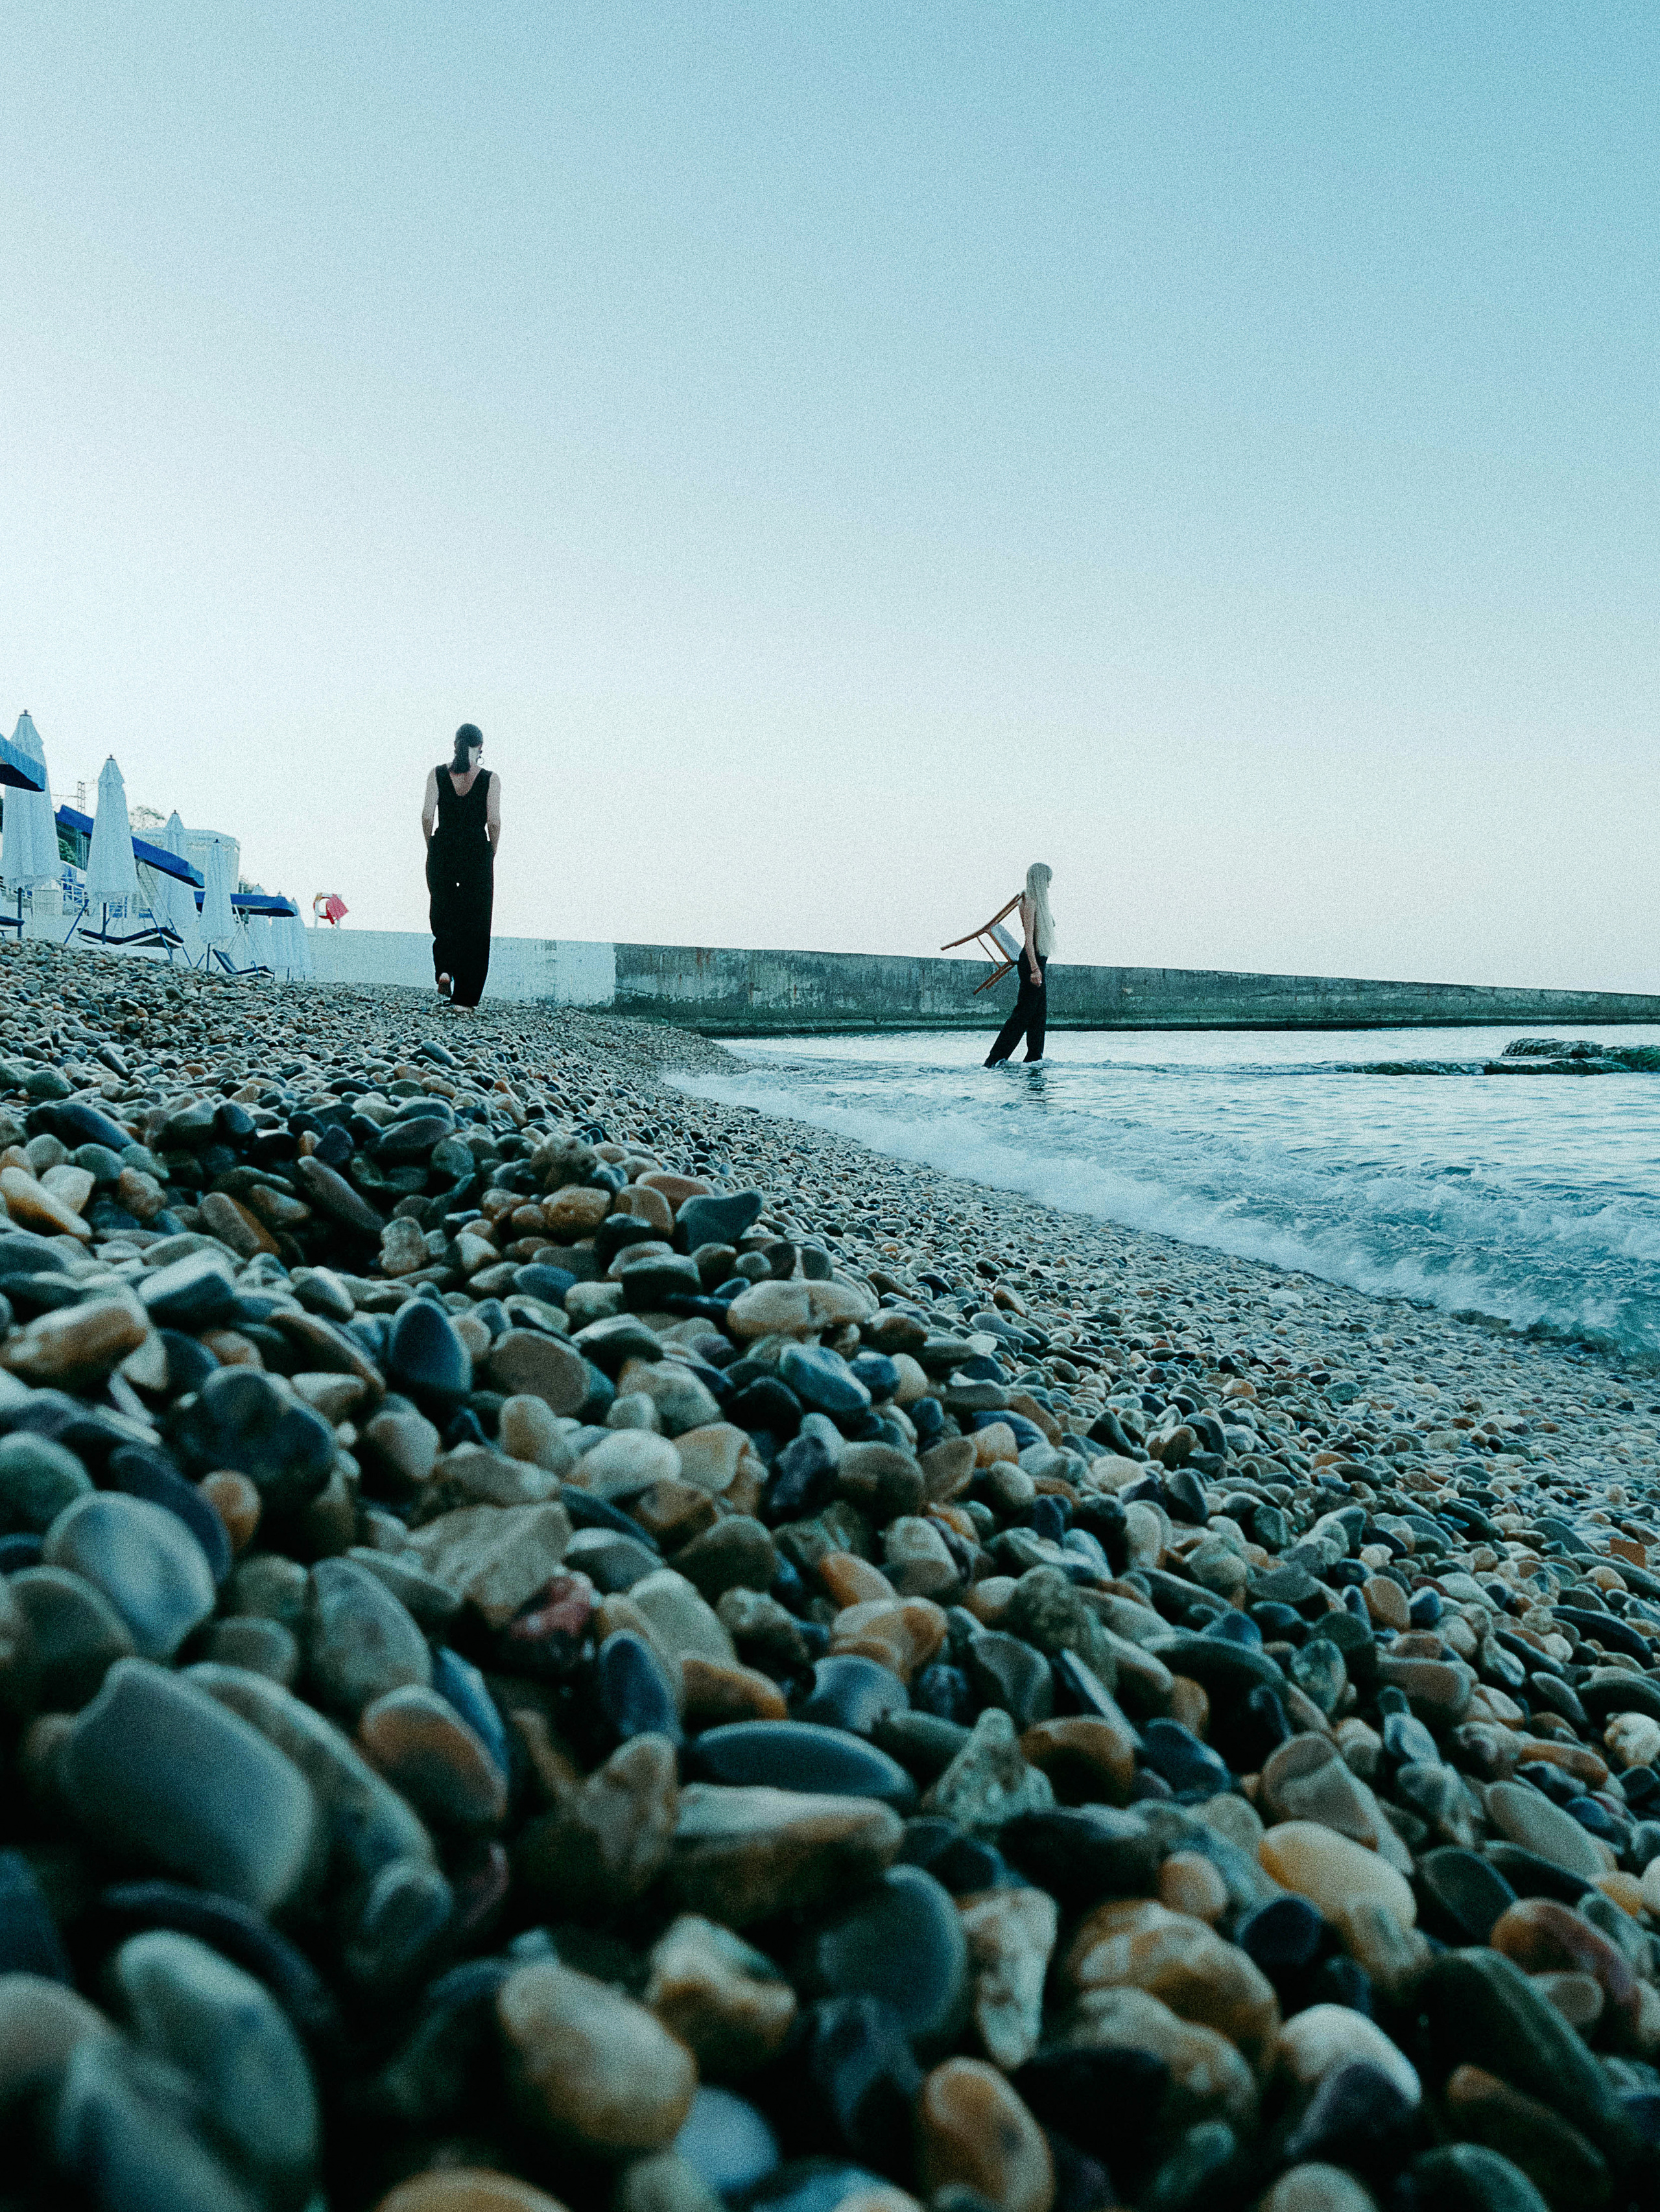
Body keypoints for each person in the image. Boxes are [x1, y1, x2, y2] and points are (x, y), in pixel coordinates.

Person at [422, 724, 500, 1010]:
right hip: (476, 852)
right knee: (476, 923)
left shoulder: (437, 774)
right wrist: (491, 851)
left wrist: (432, 846)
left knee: (444, 912)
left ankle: (445, 970)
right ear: (480, 748)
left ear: (455, 745)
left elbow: (427, 816)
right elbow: (494, 822)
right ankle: (465, 999)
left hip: (443, 848)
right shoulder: (490, 779)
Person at [985, 861, 1055, 1065]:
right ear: (1040, 880)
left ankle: (1034, 1059)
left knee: (1039, 1014)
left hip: (1039, 961)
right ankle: (995, 1059)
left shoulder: (1037, 901)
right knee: (1023, 1014)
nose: (1049, 885)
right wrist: (1034, 969)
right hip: (1032, 962)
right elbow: (1028, 939)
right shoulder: (1029, 901)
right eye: (1047, 880)